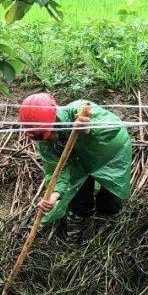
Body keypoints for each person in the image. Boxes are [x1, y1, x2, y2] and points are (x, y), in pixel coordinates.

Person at [18, 93, 132, 233]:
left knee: (111, 194)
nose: (49, 139)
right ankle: (81, 219)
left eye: (49, 133)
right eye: (41, 136)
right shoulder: (44, 141)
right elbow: (55, 170)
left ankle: (106, 223)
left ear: (55, 118)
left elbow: (114, 126)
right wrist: (54, 194)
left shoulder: (80, 110)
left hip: (109, 156)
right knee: (78, 192)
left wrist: (92, 128)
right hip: (80, 162)